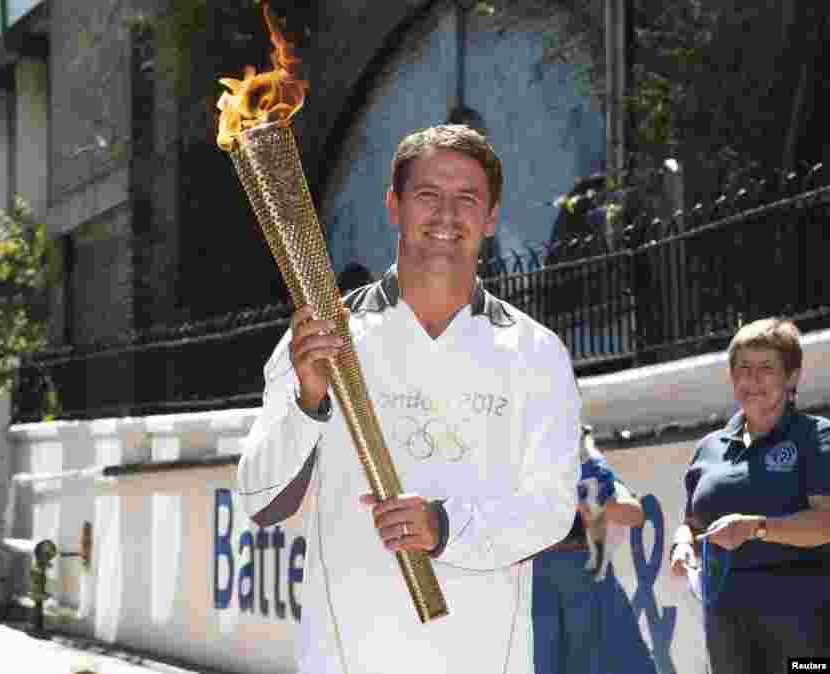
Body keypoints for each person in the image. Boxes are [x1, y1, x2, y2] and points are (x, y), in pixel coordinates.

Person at [237, 124, 581, 674]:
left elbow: (552, 510)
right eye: (427, 196)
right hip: (348, 657)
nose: (447, 215)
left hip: (483, 656)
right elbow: (260, 500)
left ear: (490, 217)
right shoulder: (324, 336)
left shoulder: (535, 353)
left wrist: (444, 528)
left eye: (467, 199)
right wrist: (307, 400)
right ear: (394, 206)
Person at [669, 318, 830, 673]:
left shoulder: (817, 437)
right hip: (727, 625)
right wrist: (682, 545)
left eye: (766, 368)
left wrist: (757, 528)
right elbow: (693, 525)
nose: (752, 379)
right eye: (742, 368)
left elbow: (826, 522)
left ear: (791, 378)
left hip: (805, 625)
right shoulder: (709, 447)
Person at [531, 426, 652, 674]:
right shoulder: (515, 461)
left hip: (590, 583)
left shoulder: (586, 462)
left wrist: (595, 507)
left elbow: (635, 513)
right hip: (537, 586)